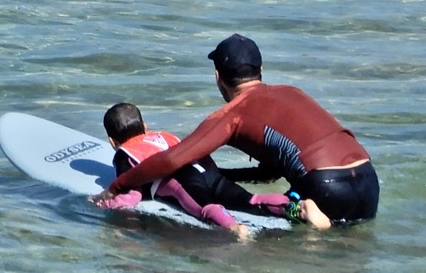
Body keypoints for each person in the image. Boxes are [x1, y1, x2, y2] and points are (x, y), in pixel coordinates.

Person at [91, 34, 378, 225]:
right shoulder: (293, 92)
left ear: (218, 77)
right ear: (261, 70)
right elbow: (270, 172)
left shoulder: (231, 115)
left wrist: (119, 185)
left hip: (323, 189)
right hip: (368, 181)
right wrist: (220, 177)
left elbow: (172, 159)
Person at [95, 102, 325, 239]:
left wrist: (106, 205)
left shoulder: (125, 154)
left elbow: (131, 193)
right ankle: (297, 207)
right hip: (208, 170)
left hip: (184, 182)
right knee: (250, 200)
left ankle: (235, 229)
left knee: (206, 208)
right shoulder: (164, 135)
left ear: (112, 141)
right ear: (146, 127)